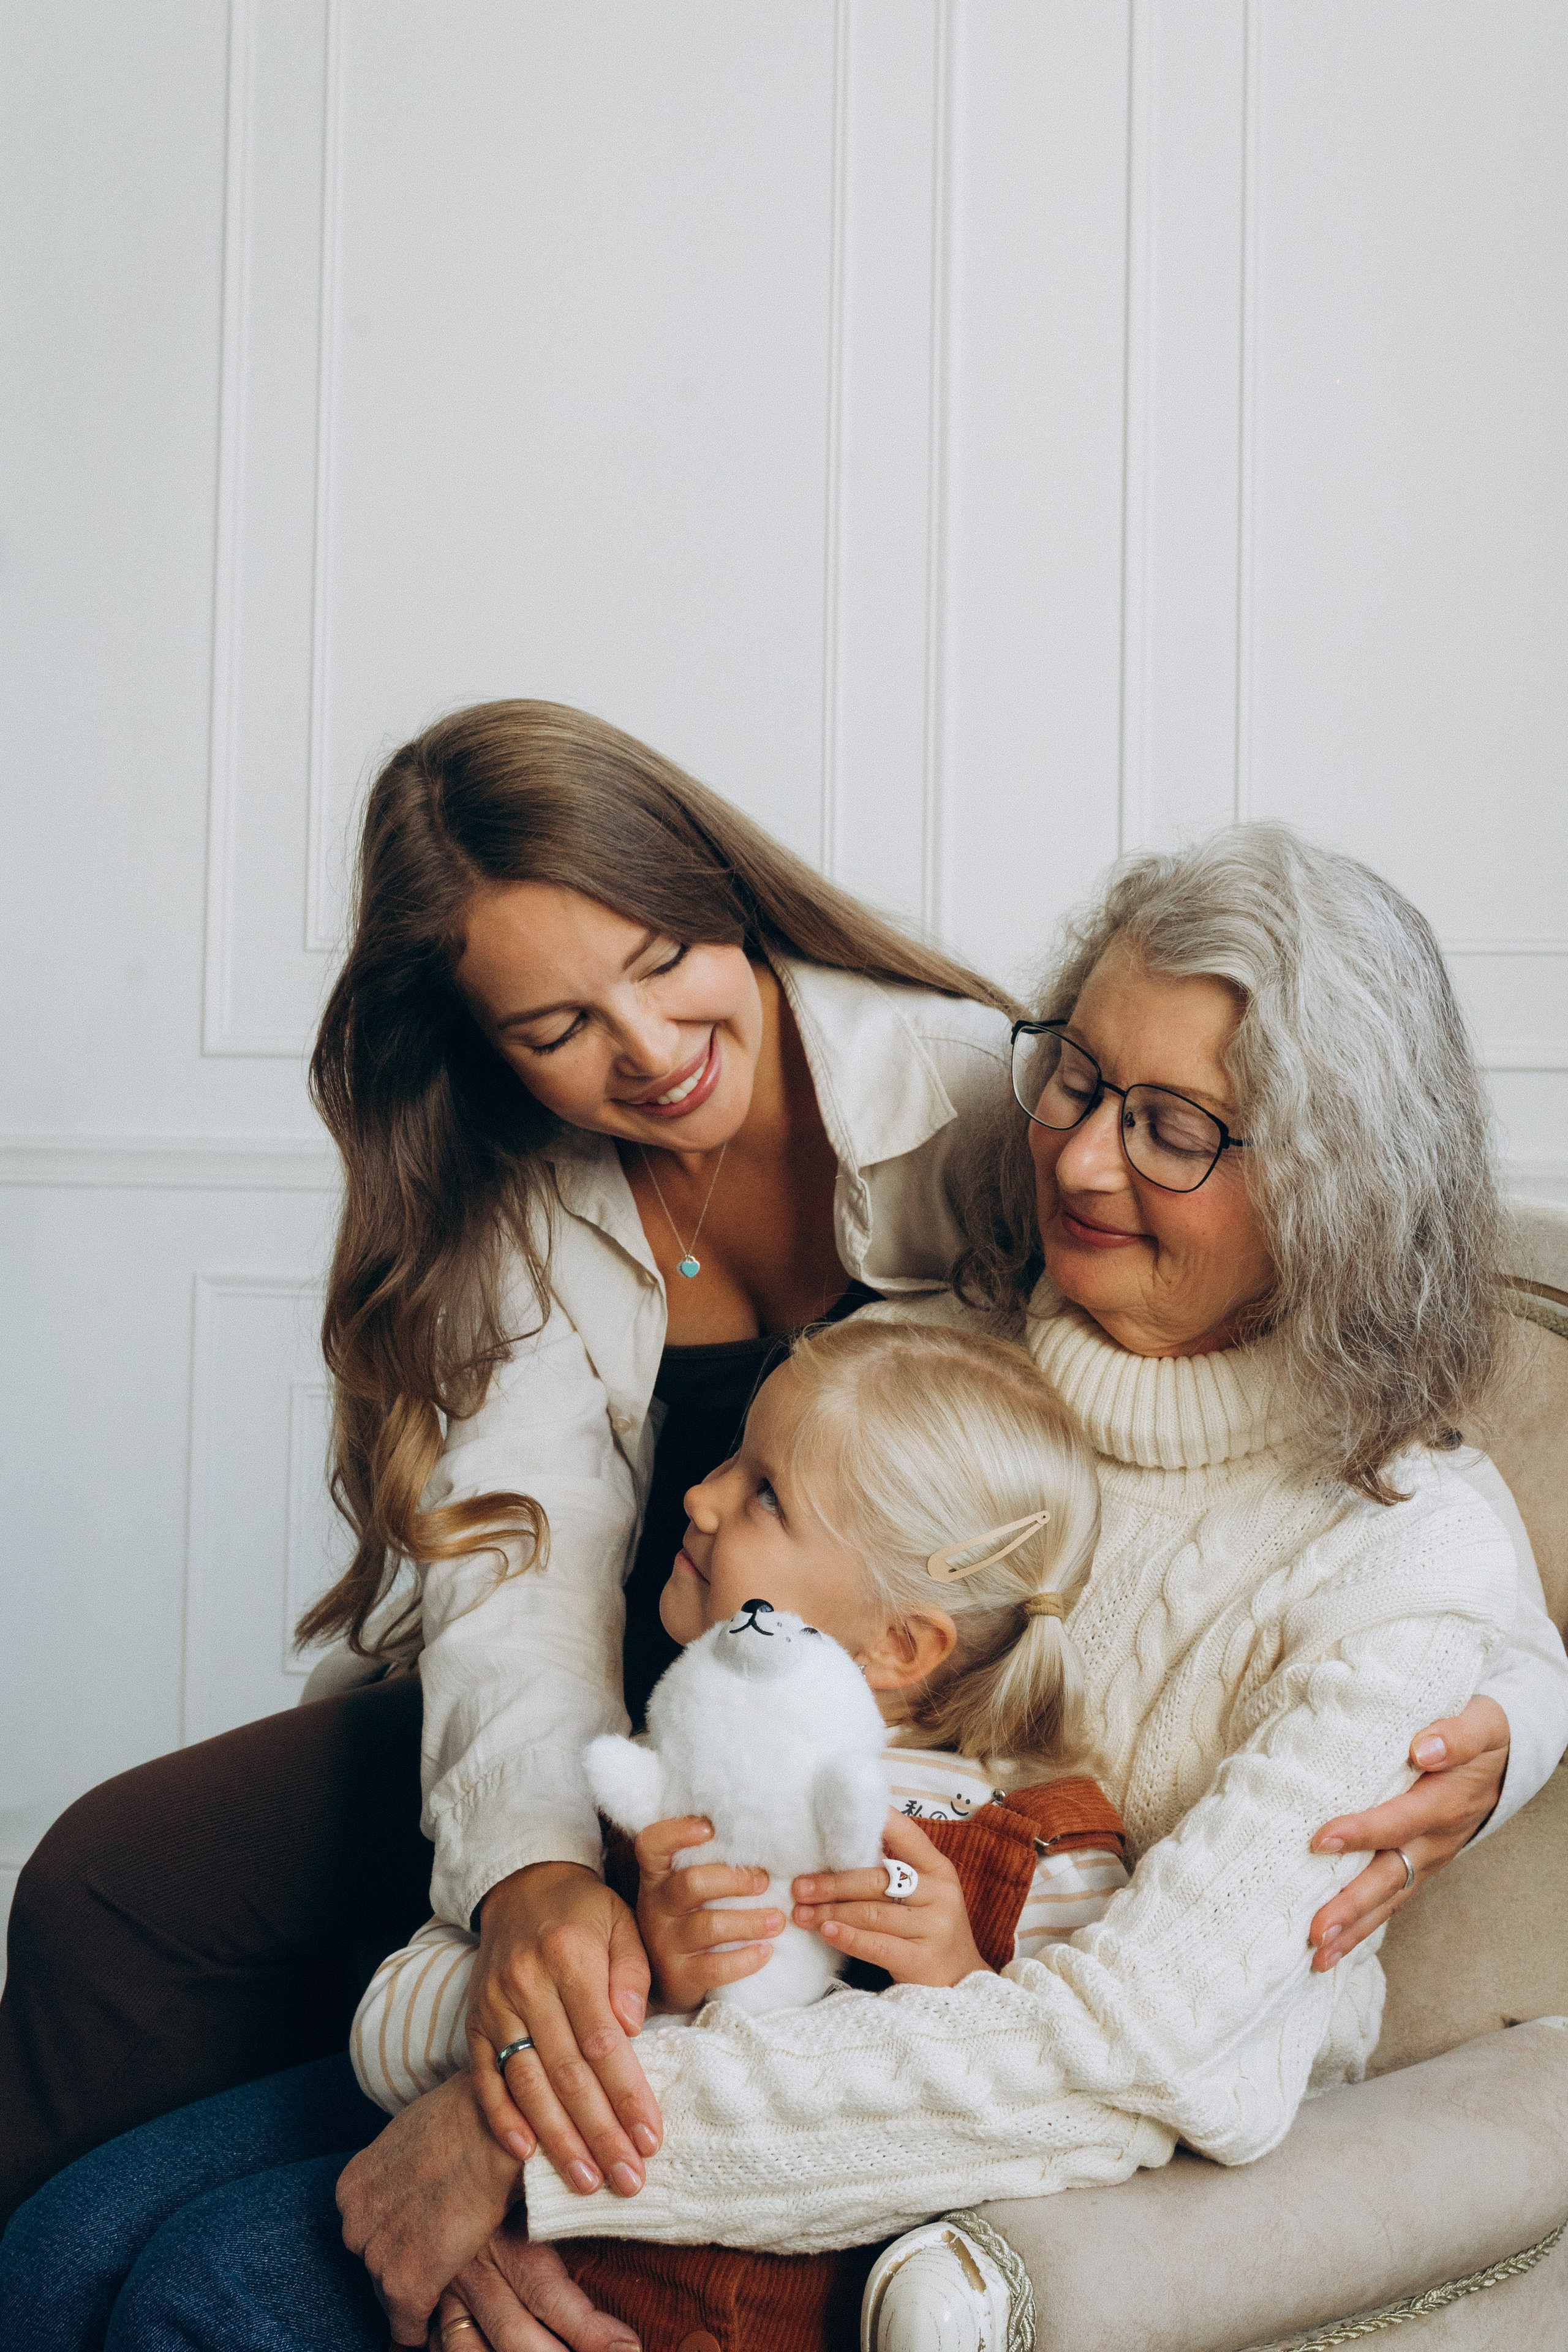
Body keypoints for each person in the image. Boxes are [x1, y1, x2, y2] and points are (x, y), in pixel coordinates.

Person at [1, 784, 1553, 2344]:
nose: (1078, 1160)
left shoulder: (1401, 1554)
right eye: (1074, 1079)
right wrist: (509, 2035)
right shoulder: (934, 1362)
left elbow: (1130, 2043)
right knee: (62, 2251)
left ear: (1337, 1179)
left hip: (832, 2192)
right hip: (651, 2051)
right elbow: (624, 1723)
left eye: (1172, 1127)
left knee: (203, 2293)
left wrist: (521, 2146)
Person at [2, 1318, 1134, 2351]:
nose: (696, 1496)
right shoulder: (645, 1766)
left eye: (765, 1495)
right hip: (459, 2117)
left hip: (656, 2289)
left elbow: (1038, 2115)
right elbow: (389, 2028)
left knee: (200, 2293)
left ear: (903, 1647)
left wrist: (954, 1976)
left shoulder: (1039, 1852)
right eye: (732, 1461)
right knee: (56, 2251)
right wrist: (603, 1990)